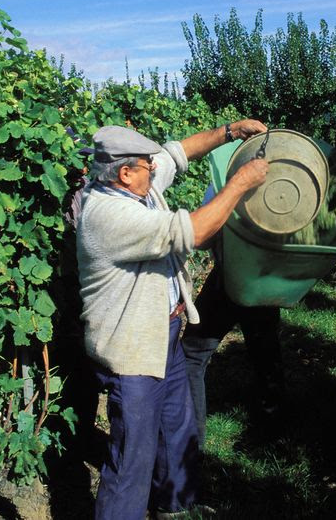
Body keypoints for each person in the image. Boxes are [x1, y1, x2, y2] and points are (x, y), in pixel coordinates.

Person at [77, 120, 268, 520]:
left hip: (163, 334)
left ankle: (175, 506)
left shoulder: (134, 186)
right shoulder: (110, 215)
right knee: (133, 458)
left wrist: (230, 132)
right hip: (132, 350)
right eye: (146, 164)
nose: (154, 166)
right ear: (124, 172)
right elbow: (194, 231)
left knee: (177, 433)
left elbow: (177, 153)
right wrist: (239, 184)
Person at [181, 205, 285, 448]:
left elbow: (204, 236)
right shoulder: (293, 178)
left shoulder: (227, 174)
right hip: (266, 278)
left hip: (229, 276)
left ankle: (191, 441)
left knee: (193, 355)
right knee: (266, 353)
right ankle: (272, 428)